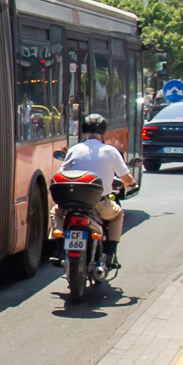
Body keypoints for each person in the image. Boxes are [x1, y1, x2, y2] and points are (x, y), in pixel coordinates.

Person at [57, 113, 135, 268]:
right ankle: (110, 254)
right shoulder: (110, 151)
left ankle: (59, 249)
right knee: (117, 215)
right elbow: (126, 179)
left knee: (56, 213)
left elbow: (61, 173)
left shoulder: (74, 149)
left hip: (72, 204)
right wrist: (131, 184)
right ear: (103, 132)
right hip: (99, 203)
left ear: (84, 131)